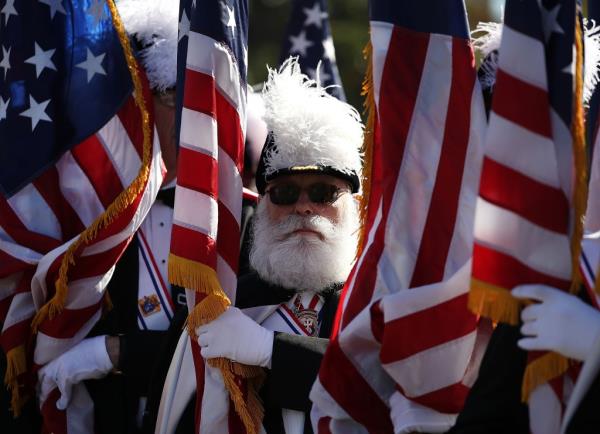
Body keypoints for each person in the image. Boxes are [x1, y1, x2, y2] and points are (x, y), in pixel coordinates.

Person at [153, 58, 364, 434]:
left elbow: (378, 386)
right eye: (284, 193)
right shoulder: (226, 304)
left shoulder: (374, 297)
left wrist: (272, 352)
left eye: (323, 192)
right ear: (263, 205)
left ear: (350, 205)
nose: (304, 206)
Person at [34, 1, 180, 433]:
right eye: (165, 97)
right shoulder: (73, 208)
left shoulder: (243, 215)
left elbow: (233, 349)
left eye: (174, 97)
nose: (183, 117)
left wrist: (114, 353)